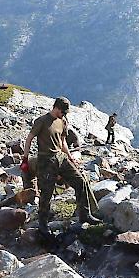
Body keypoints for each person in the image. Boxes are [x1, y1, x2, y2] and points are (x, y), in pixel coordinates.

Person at [22, 97, 100, 238]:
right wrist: (25, 158)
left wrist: (70, 157)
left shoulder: (63, 121)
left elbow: (62, 142)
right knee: (46, 193)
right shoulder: (42, 121)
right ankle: (43, 224)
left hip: (60, 157)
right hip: (45, 160)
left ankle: (85, 214)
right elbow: (29, 138)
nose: (64, 114)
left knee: (80, 181)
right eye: (62, 111)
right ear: (56, 108)